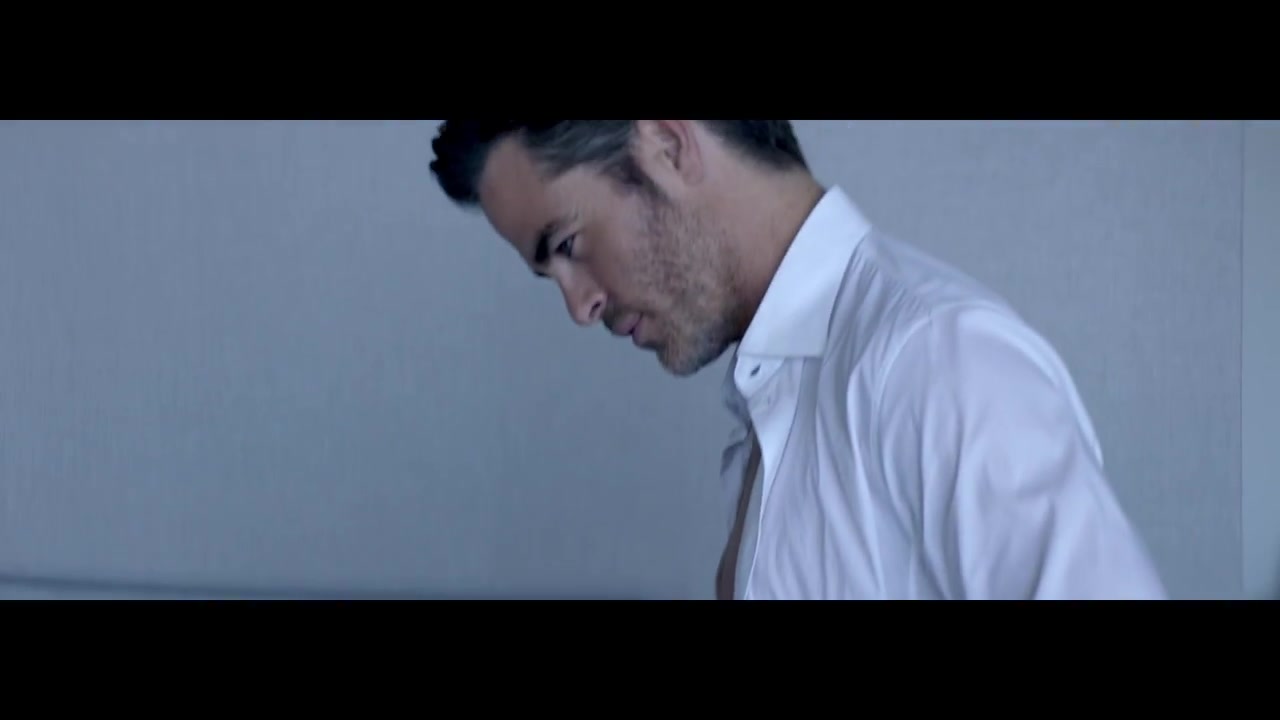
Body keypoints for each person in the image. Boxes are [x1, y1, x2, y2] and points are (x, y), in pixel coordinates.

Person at [427, 120, 1168, 600]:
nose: (579, 305)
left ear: (669, 146)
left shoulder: (934, 361)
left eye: (568, 246)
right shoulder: (785, 392)